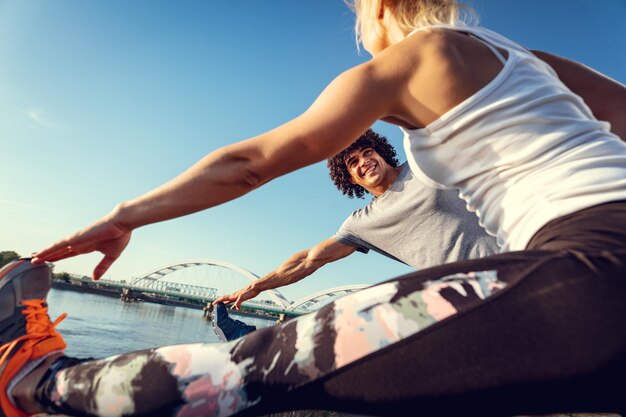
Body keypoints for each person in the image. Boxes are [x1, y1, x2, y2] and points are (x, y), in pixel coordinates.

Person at [2, 0, 626, 416]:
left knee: (248, 370)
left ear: (377, 9)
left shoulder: (409, 59)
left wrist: (123, 215)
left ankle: (32, 379)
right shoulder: (532, 63)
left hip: (589, 272)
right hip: (570, 279)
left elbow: (248, 165)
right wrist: (256, 287)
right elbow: (308, 258)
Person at [212, 129, 498, 341]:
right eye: (353, 161)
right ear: (350, 178)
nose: (364, 161)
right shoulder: (362, 224)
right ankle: (253, 341)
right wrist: (256, 287)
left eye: (367, 152)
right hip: (464, 298)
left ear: (380, 152)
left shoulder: (421, 166)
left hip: (515, 262)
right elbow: (309, 260)